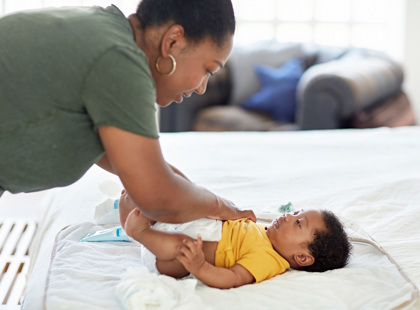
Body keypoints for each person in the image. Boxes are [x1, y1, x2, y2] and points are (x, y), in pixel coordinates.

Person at [0, 0, 255, 223]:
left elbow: (142, 167)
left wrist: (197, 197)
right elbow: (156, 195)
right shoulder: (118, 59)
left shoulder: (107, 34)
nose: (202, 88)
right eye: (208, 69)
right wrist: (221, 207)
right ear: (173, 42)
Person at [123, 204, 352, 289]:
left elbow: (233, 278)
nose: (287, 217)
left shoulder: (270, 260)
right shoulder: (266, 232)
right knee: (189, 192)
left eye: (298, 223)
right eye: (294, 212)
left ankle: (141, 232)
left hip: (174, 258)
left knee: (185, 245)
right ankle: (132, 203)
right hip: (183, 224)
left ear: (302, 257)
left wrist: (199, 267)